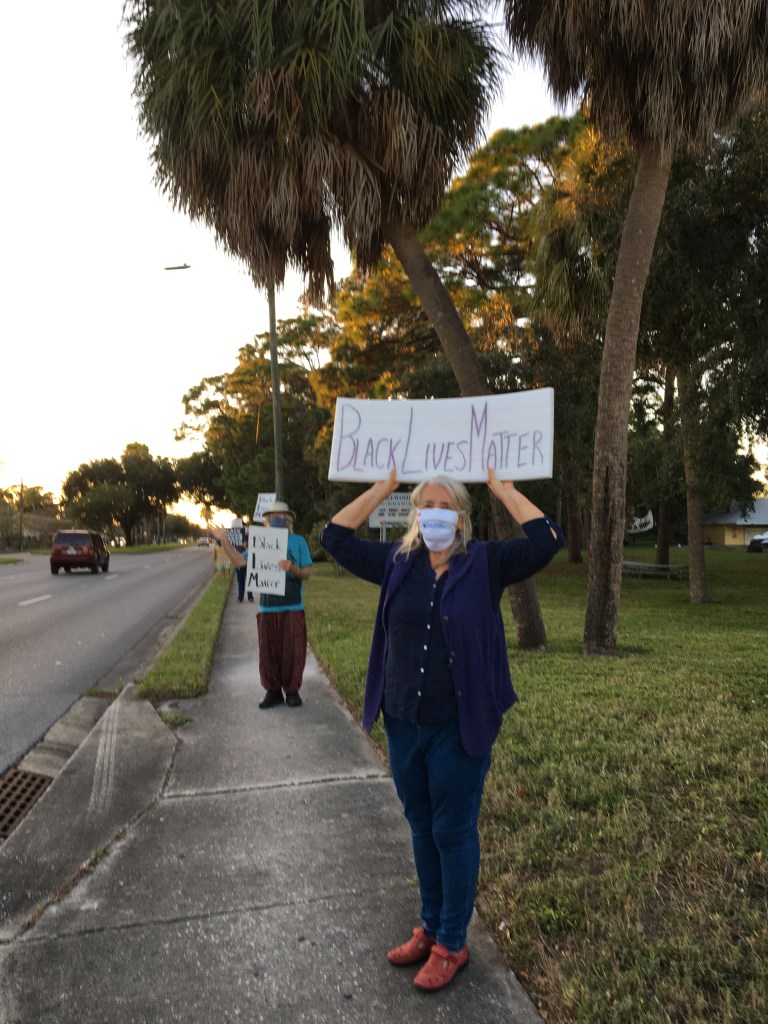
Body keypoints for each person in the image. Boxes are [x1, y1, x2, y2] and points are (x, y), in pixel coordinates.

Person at [320, 467, 563, 993]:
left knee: (452, 829)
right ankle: (430, 928)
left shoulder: (486, 562)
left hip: (458, 724)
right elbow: (334, 538)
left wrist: (505, 491)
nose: (434, 513)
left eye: (445, 505)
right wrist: (382, 488)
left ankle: (453, 942)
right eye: (425, 505)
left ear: (461, 517)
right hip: (403, 720)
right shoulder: (396, 562)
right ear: (414, 514)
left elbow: (547, 540)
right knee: (420, 824)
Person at [213, 500, 312, 709]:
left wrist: (293, 569)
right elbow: (239, 562)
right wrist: (224, 540)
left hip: (293, 605)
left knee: (294, 651)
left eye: (282, 517)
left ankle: (292, 691)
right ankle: (273, 691)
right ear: (266, 521)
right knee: (268, 651)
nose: (277, 520)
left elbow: (307, 573)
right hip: (267, 607)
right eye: (273, 517)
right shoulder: (260, 542)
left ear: (289, 520)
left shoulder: (299, 541)